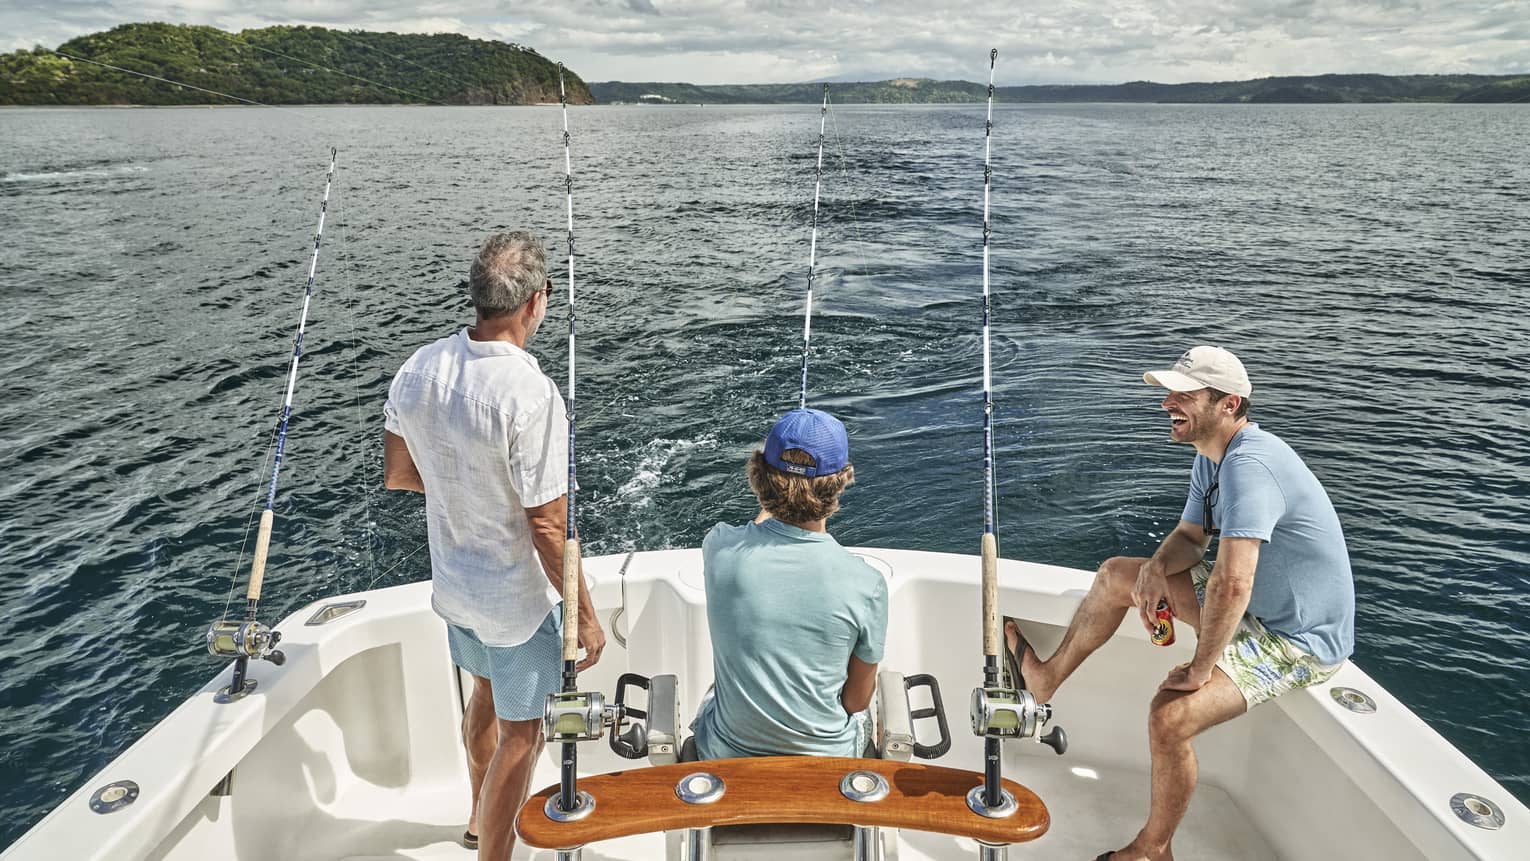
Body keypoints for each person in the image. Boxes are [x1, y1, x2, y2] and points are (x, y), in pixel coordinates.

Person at [1006, 346, 1355, 861]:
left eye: (1185, 395)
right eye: (1169, 392)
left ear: (1229, 404)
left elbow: (1232, 584)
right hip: (1255, 606)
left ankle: (1153, 849)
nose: (1168, 402)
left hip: (1295, 639)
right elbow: (1191, 539)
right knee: (1116, 576)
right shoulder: (1212, 459)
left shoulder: (1251, 466)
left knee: (1169, 718)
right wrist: (1152, 569)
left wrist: (1201, 667)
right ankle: (1044, 679)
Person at [382, 231, 605, 861]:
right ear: (538, 301)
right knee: (522, 736)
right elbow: (547, 527)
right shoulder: (531, 395)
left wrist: (463, 487)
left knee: (481, 696)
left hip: (454, 588)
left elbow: (401, 474)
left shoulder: (417, 367)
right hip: (514, 605)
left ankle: (478, 823)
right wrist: (585, 619)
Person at [691, 408, 889, 760]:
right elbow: (854, 702)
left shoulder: (719, 547)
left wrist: (778, 501)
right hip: (825, 762)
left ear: (759, 476)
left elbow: (758, 529)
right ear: (843, 479)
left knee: (712, 694)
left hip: (725, 756)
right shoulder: (866, 584)